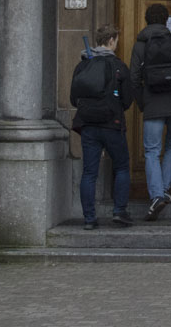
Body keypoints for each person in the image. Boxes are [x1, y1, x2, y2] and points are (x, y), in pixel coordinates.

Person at [69, 24, 136, 230]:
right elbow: (127, 100)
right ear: (111, 41)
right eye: (116, 40)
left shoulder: (83, 65)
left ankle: (89, 218)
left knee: (89, 172)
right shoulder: (118, 66)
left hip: (88, 125)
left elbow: (73, 99)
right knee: (122, 166)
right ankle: (119, 212)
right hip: (112, 124)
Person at [130, 3, 171, 220]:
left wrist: (142, 102)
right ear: (166, 20)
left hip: (153, 104)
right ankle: (164, 190)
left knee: (151, 151)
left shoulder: (140, 45)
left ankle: (157, 194)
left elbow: (134, 78)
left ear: (147, 20)